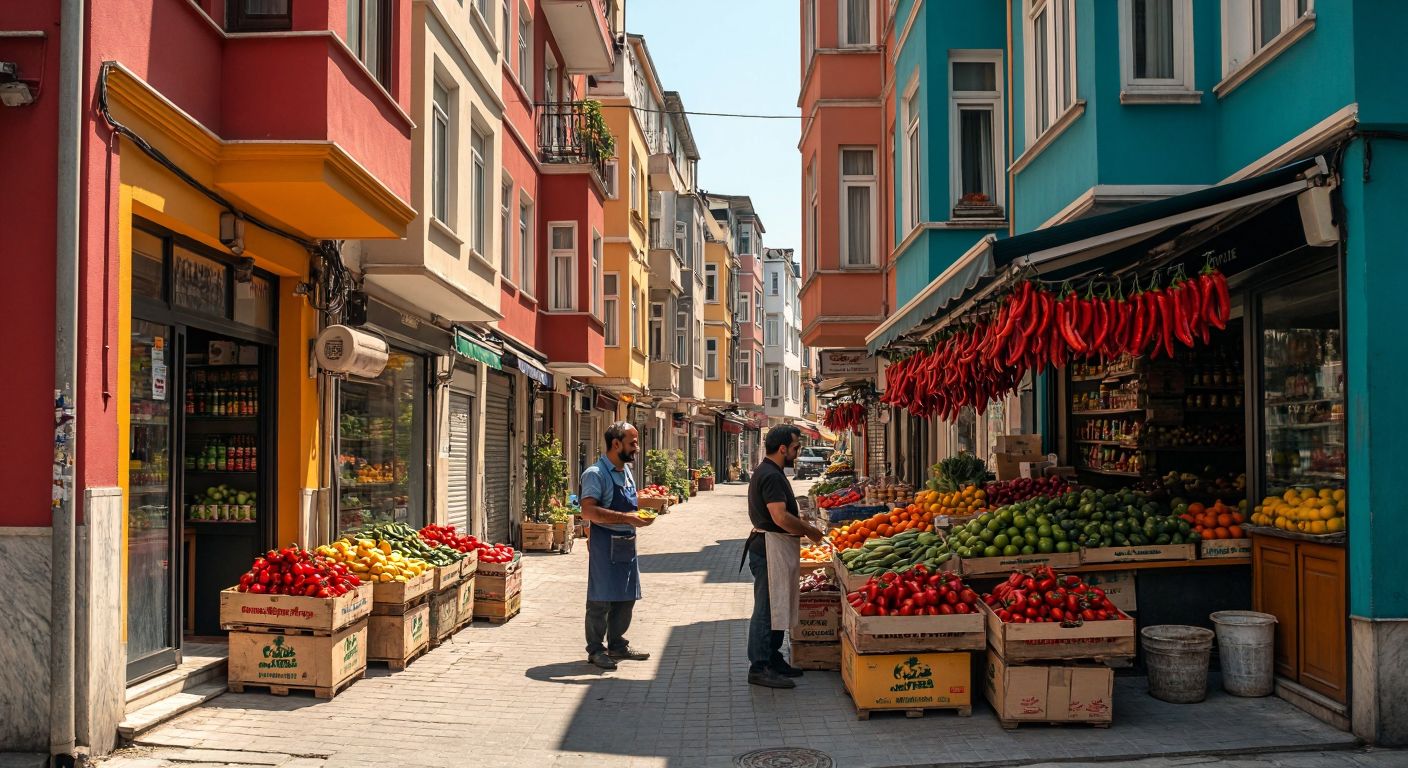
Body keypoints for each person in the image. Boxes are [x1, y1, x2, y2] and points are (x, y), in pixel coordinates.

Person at [742, 424, 824, 688]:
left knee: (776, 604)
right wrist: (809, 530)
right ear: (782, 449)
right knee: (766, 609)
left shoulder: (770, 471)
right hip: (769, 548)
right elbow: (779, 517)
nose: (797, 453)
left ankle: (772, 657)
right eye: (795, 447)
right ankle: (759, 666)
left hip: (772, 546)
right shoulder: (771, 475)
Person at [579, 421, 656, 670]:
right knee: (601, 599)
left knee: (626, 597)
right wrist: (627, 518)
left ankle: (617, 644)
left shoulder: (626, 471)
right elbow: (588, 511)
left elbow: (629, 504)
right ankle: (596, 649)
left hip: (626, 543)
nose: (637, 447)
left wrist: (641, 514)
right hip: (605, 543)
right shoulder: (595, 474)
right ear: (616, 444)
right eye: (632, 443)